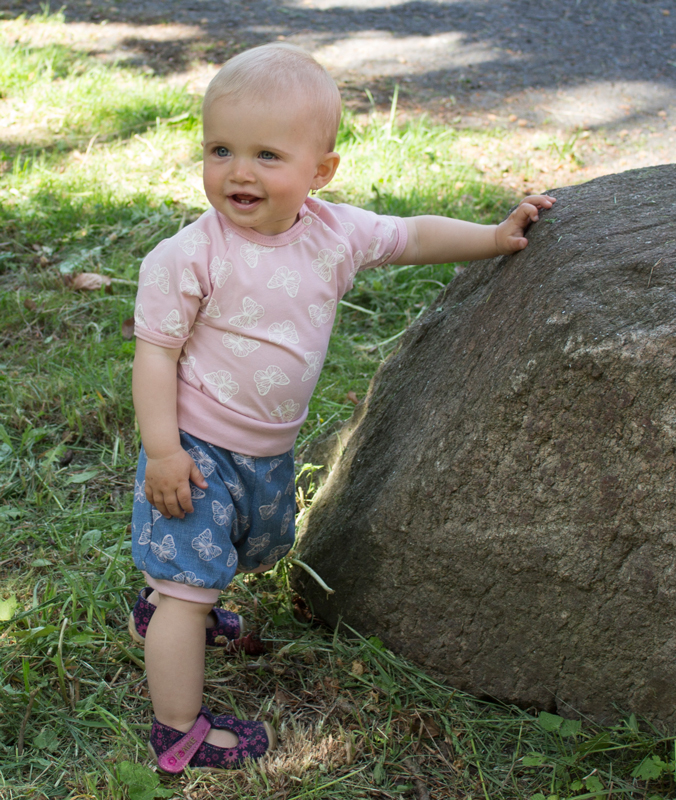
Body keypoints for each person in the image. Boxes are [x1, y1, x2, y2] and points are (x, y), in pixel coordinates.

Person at [128, 41, 555, 774]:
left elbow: (411, 234)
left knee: (248, 551)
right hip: (195, 451)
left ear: (320, 172)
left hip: (267, 451)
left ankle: (167, 605)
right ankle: (177, 728)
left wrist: (493, 238)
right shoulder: (187, 256)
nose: (238, 172)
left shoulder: (333, 235)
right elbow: (155, 357)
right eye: (221, 150)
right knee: (189, 588)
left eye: (267, 155)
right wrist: (164, 452)